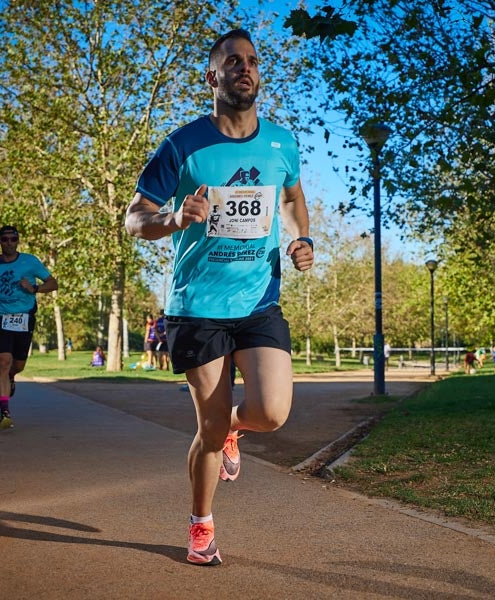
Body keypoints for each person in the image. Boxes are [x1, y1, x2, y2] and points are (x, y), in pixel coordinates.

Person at [124, 28, 314, 566]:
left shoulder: (282, 143)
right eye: (232, 62)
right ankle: (201, 523)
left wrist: (301, 236)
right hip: (197, 308)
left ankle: (235, 429)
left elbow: (294, 199)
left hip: (258, 300)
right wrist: (173, 216)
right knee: (205, 431)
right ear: (213, 77)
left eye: (252, 61)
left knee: (272, 413)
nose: (244, 68)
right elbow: (134, 219)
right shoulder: (183, 145)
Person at [0, 225, 58, 430]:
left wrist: (34, 288)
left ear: (18, 241)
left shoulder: (30, 262)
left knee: (18, 366)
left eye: (13, 239)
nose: (9, 243)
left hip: (24, 318)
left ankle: (11, 377)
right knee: (3, 361)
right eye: (5, 239)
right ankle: (4, 412)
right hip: (0, 318)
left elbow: (53, 283)